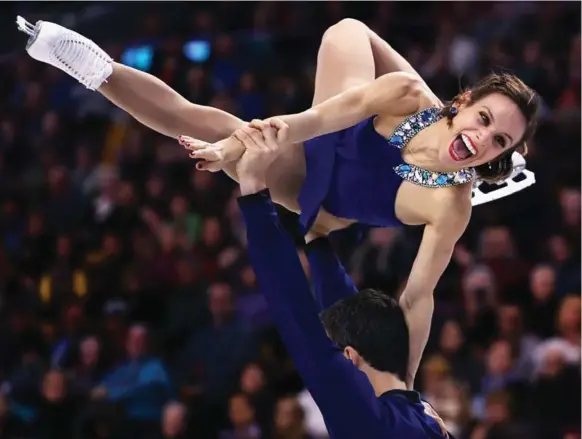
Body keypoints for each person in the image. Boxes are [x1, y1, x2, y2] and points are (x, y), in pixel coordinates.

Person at [16, 16, 539, 386]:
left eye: (499, 142)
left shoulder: (451, 208)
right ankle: (99, 68)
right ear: (466, 102)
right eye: (484, 120)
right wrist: (238, 143)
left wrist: (403, 387)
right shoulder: (403, 95)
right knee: (346, 35)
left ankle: (483, 165)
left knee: (221, 130)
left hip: (325, 196)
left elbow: (416, 300)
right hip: (334, 128)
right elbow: (308, 123)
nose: (482, 137)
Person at [233, 127, 451, 438]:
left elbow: (302, 317)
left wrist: (261, 198)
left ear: (350, 357)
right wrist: (256, 195)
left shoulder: (399, 420)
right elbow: (302, 316)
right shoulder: (422, 422)